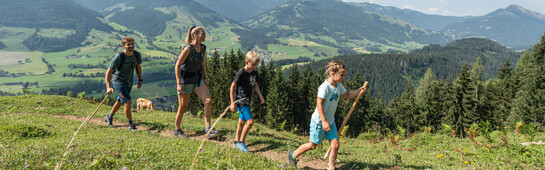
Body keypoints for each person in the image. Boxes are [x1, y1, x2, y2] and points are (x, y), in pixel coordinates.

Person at [288, 61, 366, 169]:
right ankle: (293, 155)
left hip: (330, 121)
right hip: (319, 122)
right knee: (312, 145)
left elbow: (347, 95)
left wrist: (359, 91)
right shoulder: (324, 87)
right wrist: (324, 121)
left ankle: (331, 167)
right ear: (333, 74)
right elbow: (319, 104)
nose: (344, 77)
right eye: (342, 75)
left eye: (344, 75)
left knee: (335, 145)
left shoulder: (338, 86)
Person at [174, 26, 218, 138]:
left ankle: (208, 128)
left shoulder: (203, 48)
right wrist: (179, 83)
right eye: (203, 34)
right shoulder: (188, 49)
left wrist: (205, 78)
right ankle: (177, 130)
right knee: (183, 107)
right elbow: (178, 65)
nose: (205, 36)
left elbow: (203, 63)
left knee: (207, 101)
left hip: (197, 79)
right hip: (186, 80)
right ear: (195, 36)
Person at [104, 37, 143, 131]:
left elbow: (138, 67)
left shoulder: (137, 55)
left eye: (132, 44)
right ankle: (131, 125)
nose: (131, 46)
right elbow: (109, 72)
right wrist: (108, 87)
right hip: (118, 82)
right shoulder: (119, 56)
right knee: (127, 101)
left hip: (129, 82)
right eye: (128, 44)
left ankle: (109, 117)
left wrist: (140, 79)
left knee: (120, 101)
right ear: (124, 46)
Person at [229, 51, 265, 152]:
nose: (254, 66)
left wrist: (260, 96)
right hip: (240, 100)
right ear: (246, 62)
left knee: (242, 121)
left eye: (256, 65)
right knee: (250, 122)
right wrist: (232, 103)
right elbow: (232, 87)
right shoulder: (241, 73)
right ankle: (241, 142)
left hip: (248, 100)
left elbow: (255, 85)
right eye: (253, 64)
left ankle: (236, 142)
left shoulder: (254, 72)